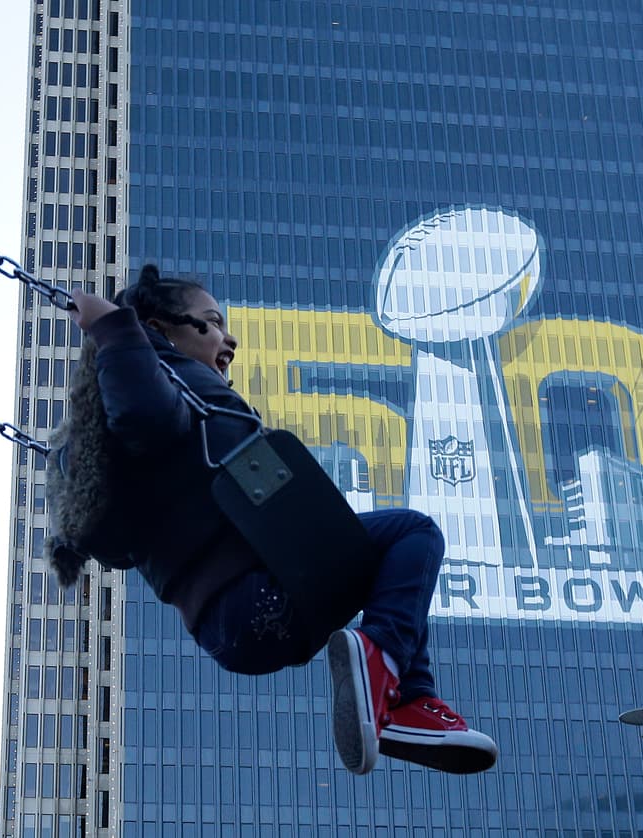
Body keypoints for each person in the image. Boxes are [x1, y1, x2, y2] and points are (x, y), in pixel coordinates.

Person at [51, 263, 498, 777]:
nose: (229, 338)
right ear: (159, 329)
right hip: (259, 594)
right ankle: (390, 679)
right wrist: (113, 326)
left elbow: (113, 543)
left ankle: (402, 697)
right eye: (211, 322)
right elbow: (146, 416)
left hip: (233, 633)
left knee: (396, 563)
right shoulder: (161, 385)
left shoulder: (112, 442)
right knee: (413, 534)